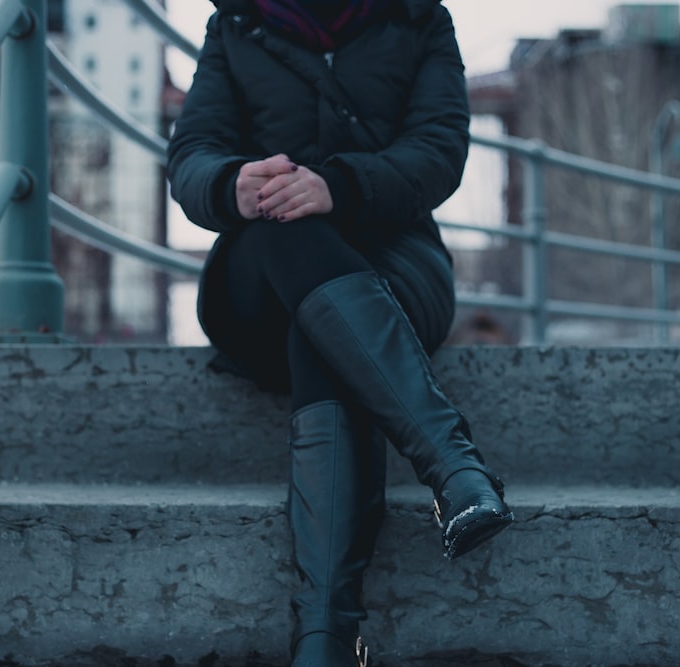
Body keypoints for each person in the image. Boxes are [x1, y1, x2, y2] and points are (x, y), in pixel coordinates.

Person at [166, 1, 514, 665]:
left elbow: (439, 150)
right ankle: (453, 463)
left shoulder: (419, 19)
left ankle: (325, 635)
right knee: (292, 242)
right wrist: (229, 183)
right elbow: (192, 153)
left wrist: (339, 185)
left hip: (397, 267)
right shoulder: (236, 23)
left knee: (324, 330)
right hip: (260, 274)